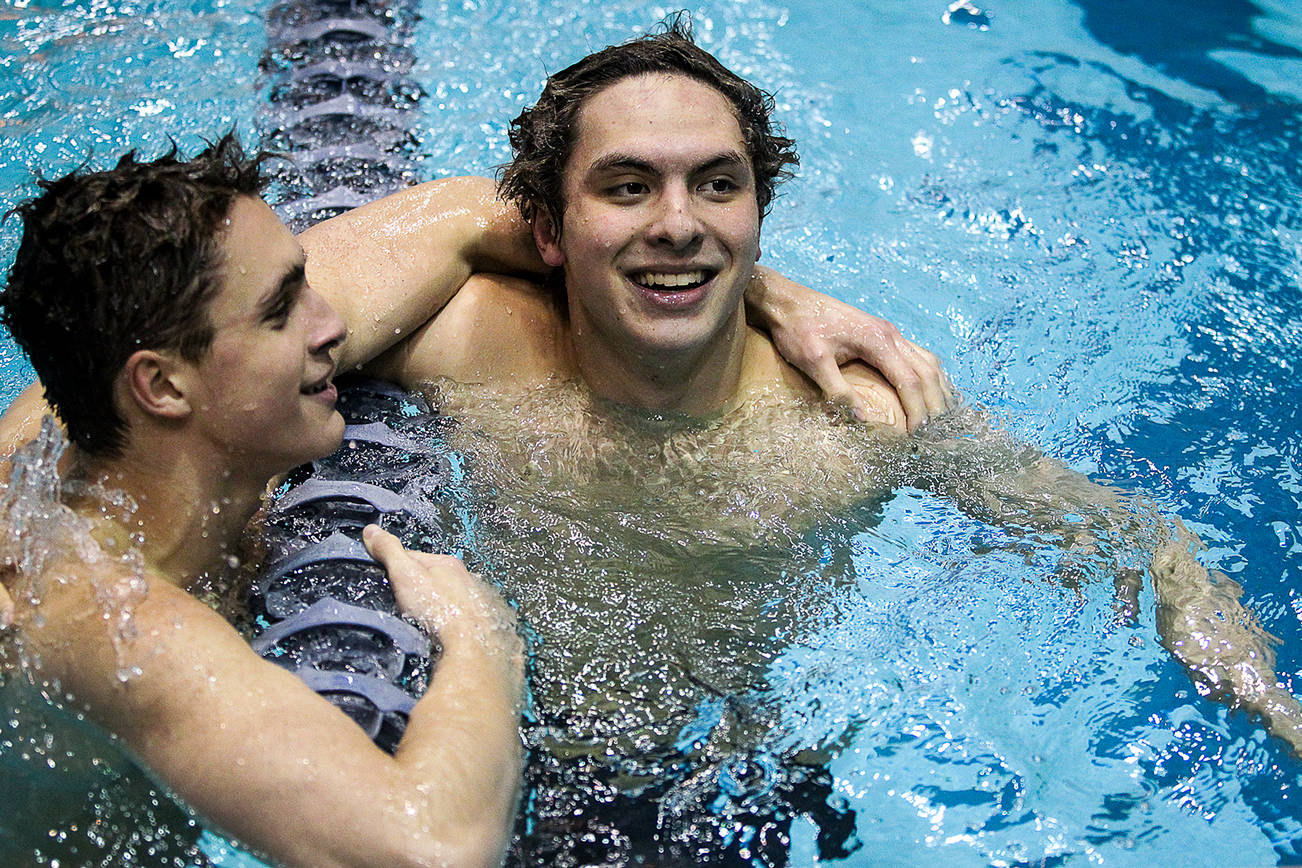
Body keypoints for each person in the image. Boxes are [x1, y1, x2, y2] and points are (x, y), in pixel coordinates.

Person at [359, 19, 1302, 765]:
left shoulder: (857, 414)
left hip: (752, 765)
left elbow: (1132, 539)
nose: (680, 226)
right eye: (628, 187)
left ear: (760, 216)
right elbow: (256, 322)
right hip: (516, 750)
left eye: (717, 186)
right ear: (545, 229)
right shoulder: (472, 347)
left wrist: (1252, 682)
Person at [0, 138, 526, 867]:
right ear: (163, 386)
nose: (333, 325)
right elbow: (432, 849)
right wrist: (483, 642)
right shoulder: (115, 623)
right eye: (281, 310)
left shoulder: (94, 452)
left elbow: (440, 227)